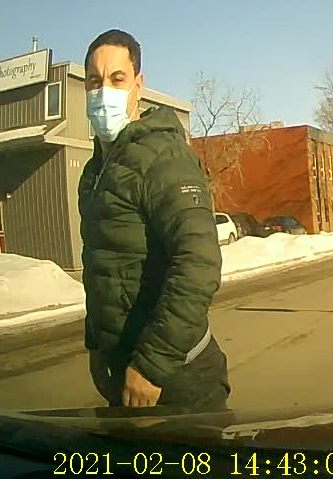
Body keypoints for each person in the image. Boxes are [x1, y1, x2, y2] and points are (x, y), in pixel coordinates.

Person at [79, 29, 230, 412]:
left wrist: (152, 364)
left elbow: (199, 263)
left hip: (178, 378)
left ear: (138, 86)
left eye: (117, 79)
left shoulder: (164, 158)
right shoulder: (96, 171)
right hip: (120, 373)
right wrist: (97, 344)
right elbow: (105, 266)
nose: (103, 92)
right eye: (94, 82)